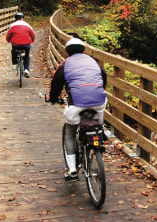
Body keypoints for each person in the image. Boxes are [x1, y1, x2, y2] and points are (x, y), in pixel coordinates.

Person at [49, 38, 107, 181]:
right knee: (98, 118)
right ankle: (101, 134)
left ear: (67, 53)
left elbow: (56, 83)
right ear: (84, 50)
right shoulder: (94, 62)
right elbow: (103, 78)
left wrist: (53, 99)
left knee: (70, 131)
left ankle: (72, 170)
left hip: (77, 104)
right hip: (99, 100)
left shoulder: (65, 64)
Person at [6, 12, 35, 77]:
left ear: (15, 18)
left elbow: (8, 36)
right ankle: (26, 69)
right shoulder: (27, 25)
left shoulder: (12, 25)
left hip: (16, 44)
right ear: (22, 18)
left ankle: (14, 64)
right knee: (27, 56)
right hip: (26, 44)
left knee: (13, 51)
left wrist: (9, 40)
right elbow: (32, 35)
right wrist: (32, 41)